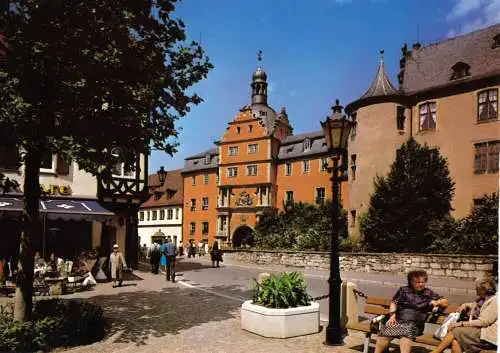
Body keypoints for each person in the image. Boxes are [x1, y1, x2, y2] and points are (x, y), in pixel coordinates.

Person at [374, 270, 449, 353]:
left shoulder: (428, 293)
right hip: (399, 321)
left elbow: (445, 302)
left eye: (423, 282)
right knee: (385, 332)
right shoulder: (403, 290)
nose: (421, 284)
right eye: (417, 282)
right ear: (411, 282)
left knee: (406, 332)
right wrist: (392, 316)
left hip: (415, 324)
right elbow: (394, 302)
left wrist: (437, 302)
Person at [431, 276, 497, 353]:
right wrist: (465, 305)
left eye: (477, 287)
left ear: (483, 289)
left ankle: (435, 352)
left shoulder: (495, 301)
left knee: (455, 331)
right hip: (477, 331)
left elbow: (483, 322)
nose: (475, 289)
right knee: (456, 341)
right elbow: (475, 305)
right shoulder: (481, 299)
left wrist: (460, 324)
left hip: (487, 335)